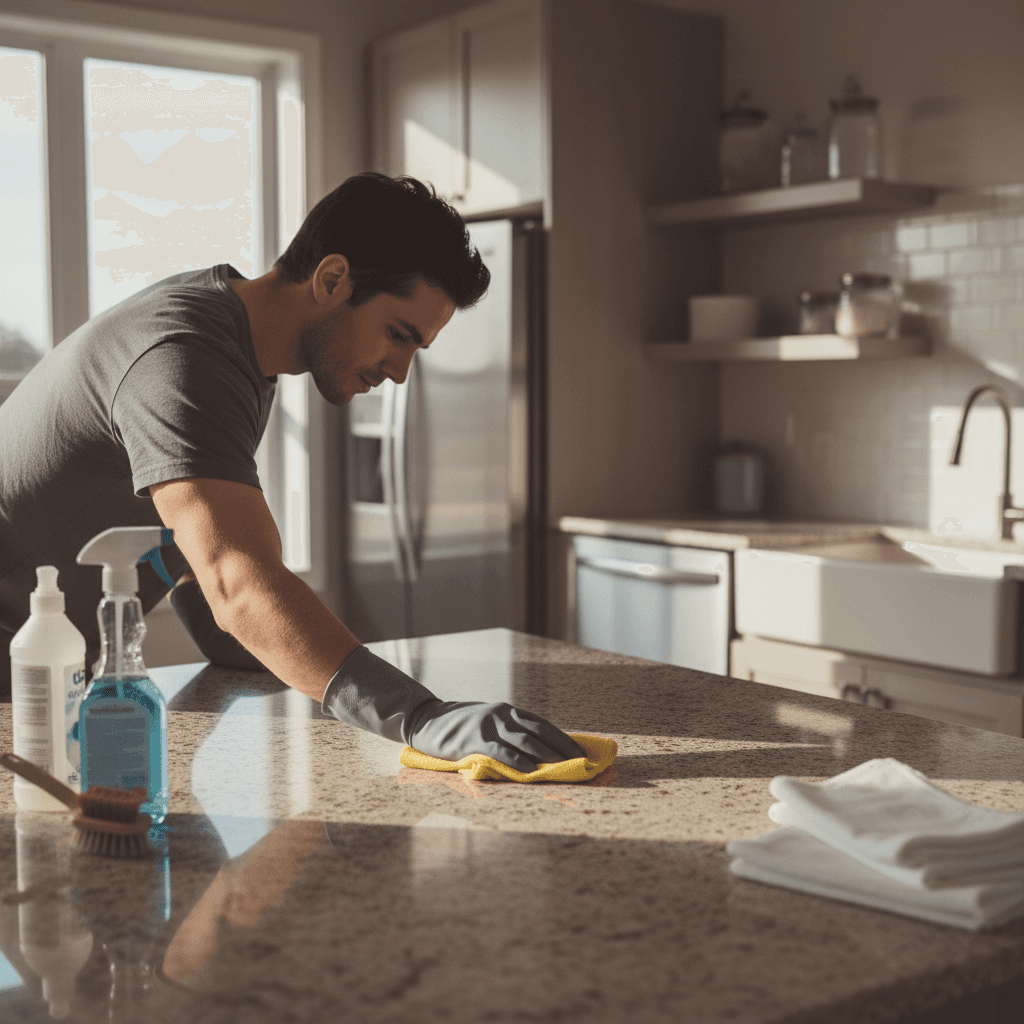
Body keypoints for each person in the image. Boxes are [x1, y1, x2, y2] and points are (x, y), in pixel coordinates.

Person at [0, 172, 583, 772]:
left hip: (36, 678)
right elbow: (236, 581)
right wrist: (419, 716)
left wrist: (283, 649)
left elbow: (195, 547)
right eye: (398, 335)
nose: (400, 371)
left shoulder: (236, 346)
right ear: (331, 279)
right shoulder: (184, 356)